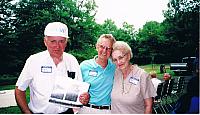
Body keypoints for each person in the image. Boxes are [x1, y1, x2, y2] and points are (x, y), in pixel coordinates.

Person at [14, 22, 89, 114]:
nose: (57, 46)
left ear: (66, 42)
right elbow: (19, 89)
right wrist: (26, 112)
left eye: (61, 41)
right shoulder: (34, 60)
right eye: (53, 41)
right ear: (45, 41)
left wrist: (84, 97)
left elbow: (79, 92)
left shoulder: (72, 60)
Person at [111, 41, 157, 114]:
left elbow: (149, 105)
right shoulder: (115, 74)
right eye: (115, 60)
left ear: (128, 56)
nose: (118, 62)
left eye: (121, 57)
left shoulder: (142, 75)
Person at [78, 34, 116, 114]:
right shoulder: (84, 66)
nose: (104, 51)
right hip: (87, 110)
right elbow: (76, 89)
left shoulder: (115, 67)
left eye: (108, 48)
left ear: (112, 51)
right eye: (102, 47)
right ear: (97, 47)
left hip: (108, 111)